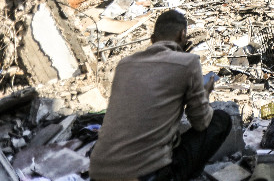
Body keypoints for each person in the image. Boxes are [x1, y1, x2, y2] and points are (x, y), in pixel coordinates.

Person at [90, 10, 231, 181]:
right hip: (146, 176)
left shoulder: (124, 65)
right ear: (183, 35)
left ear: (152, 39)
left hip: (98, 172)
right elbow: (201, 123)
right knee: (221, 120)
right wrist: (204, 95)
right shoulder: (188, 63)